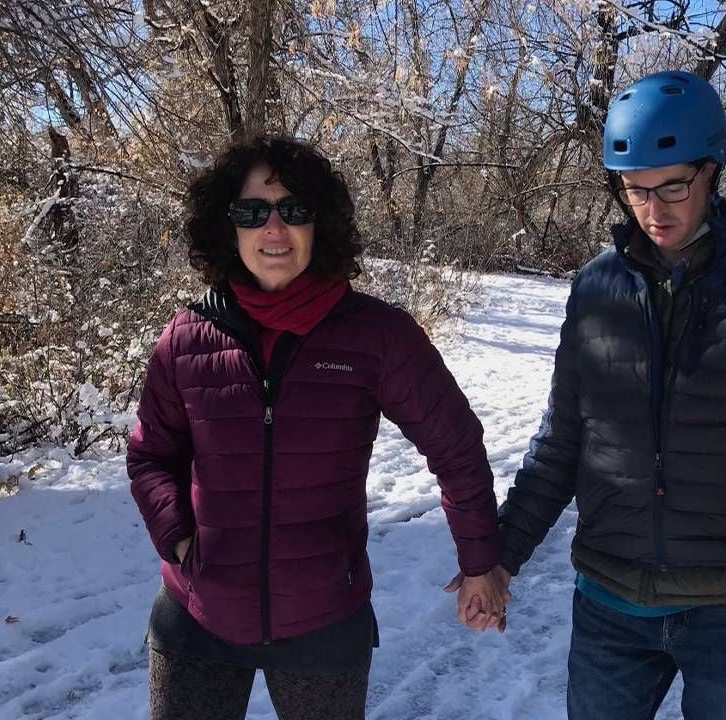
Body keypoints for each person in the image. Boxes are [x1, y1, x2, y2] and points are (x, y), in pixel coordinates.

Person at [453, 69, 726, 718]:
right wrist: (499, 559)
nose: (653, 209)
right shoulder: (597, 287)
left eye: (673, 184)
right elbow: (563, 440)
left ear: (713, 169)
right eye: (634, 190)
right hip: (610, 606)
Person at [127, 135, 507, 720]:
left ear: (319, 224)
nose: (273, 228)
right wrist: (178, 538)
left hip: (324, 621)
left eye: (294, 210)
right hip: (196, 617)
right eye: (253, 212)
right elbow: (152, 455)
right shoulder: (187, 338)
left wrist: (480, 563)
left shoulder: (378, 335)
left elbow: (454, 444)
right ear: (227, 227)